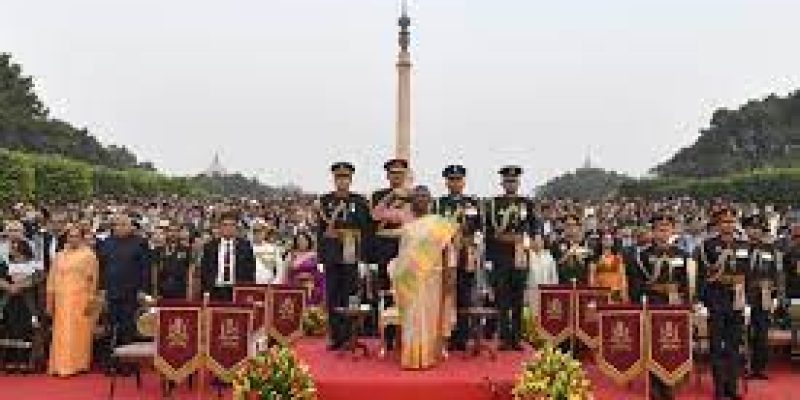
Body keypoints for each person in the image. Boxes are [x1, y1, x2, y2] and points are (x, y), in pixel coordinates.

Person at [389, 185, 458, 369]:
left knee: (429, 318)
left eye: (424, 196)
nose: (420, 199)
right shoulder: (408, 226)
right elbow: (403, 255)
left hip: (432, 279)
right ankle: (411, 357)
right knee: (412, 320)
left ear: (430, 200)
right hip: (410, 281)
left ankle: (428, 356)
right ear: (411, 201)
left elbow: (447, 251)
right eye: (417, 196)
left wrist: (450, 274)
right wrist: (400, 276)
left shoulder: (440, 224)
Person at [629, 214, 691, 400]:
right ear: (653, 232)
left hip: (675, 308)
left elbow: (687, 282)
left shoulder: (682, 255)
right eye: (659, 229)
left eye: (667, 229)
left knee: (673, 347)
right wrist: (640, 302)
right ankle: (655, 388)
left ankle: (671, 385)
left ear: (673, 231)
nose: (663, 233)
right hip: (654, 306)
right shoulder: (643, 256)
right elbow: (636, 283)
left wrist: (686, 300)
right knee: (654, 348)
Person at [315, 162, 371, 350]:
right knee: (333, 295)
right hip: (332, 252)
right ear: (334, 179)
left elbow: (366, 231)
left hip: (352, 252)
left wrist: (364, 258)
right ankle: (335, 336)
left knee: (351, 294)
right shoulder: (325, 201)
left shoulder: (360, 201)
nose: (342, 181)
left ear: (351, 179)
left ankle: (350, 335)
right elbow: (320, 231)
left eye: (345, 177)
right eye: (339, 177)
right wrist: (321, 257)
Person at [696, 207, 748, 400]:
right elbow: (703, 276)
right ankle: (718, 389)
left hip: (737, 300)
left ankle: (732, 389)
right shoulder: (707, 246)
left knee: (734, 347)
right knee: (716, 347)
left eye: (732, 221)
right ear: (718, 225)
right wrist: (703, 301)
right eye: (725, 222)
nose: (729, 225)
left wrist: (747, 300)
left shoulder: (744, 245)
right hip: (717, 300)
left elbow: (748, 275)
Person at [485, 166, 537, 351]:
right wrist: (489, 260)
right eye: (507, 181)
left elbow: (534, 227)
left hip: (520, 256)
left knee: (518, 298)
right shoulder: (493, 204)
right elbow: (489, 233)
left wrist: (529, 240)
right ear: (502, 183)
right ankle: (504, 338)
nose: (511, 184)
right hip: (501, 257)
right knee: (502, 299)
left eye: (514, 181)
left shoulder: (527, 203)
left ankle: (516, 338)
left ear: (518, 183)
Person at [435, 165, 482, 351]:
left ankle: (462, 337)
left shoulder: (473, 203)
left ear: (464, 181)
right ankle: (446, 334)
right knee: (446, 295)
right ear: (446, 182)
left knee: (464, 295)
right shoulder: (439, 204)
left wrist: (472, 243)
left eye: (458, 179)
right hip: (446, 254)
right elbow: (434, 229)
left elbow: (479, 230)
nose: (455, 183)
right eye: (452, 179)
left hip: (466, 255)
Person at [46, 223, 100, 377]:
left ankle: (76, 365)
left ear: (82, 238)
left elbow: (93, 280)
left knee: (77, 333)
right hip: (61, 299)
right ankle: (58, 365)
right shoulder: (60, 255)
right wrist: (50, 301)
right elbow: (52, 278)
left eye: (76, 236)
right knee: (60, 332)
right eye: (70, 236)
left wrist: (90, 300)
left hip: (80, 299)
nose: (73, 239)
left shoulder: (89, 255)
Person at [369, 158, 412, 344]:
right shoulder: (379, 195)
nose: (396, 176)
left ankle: (408, 335)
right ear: (387, 175)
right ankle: (387, 336)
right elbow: (373, 221)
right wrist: (392, 196)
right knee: (386, 290)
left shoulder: (413, 195)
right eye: (393, 173)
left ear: (406, 175)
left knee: (409, 291)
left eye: (400, 173)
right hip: (385, 248)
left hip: (407, 248)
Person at [96, 214, 151, 346]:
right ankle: (111, 356)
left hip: (131, 292)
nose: (119, 228)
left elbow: (145, 268)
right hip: (111, 291)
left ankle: (127, 357)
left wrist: (143, 290)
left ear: (131, 227)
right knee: (111, 325)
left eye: (123, 225)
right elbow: (102, 267)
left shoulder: (140, 242)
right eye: (117, 225)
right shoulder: (107, 242)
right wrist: (102, 289)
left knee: (128, 326)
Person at [743, 215, 779, 380]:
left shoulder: (769, 249)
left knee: (762, 333)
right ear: (746, 229)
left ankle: (759, 368)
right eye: (752, 228)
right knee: (742, 333)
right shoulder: (740, 247)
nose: (756, 231)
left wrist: (775, 295)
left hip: (763, 296)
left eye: (759, 228)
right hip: (742, 295)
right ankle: (743, 366)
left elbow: (774, 273)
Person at [0, 220, 39, 371]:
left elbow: (39, 275)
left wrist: (20, 285)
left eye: (17, 230)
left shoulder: (32, 248)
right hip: (6, 296)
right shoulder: (2, 251)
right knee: (8, 325)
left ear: (22, 232)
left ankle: (24, 360)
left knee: (25, 326)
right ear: (6, 231)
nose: (14, 233)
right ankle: (9, 359)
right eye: (11, 230)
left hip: (26, 297)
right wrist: (9, 287)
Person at [200, 211, 256, 301]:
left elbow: (250, 270)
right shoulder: (210, 246)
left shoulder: (245, 246)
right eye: (225, 225)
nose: (228, 228)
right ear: (220, 227)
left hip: (236, 289)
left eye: (232, 225)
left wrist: (248, 291)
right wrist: (205, 291)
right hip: (216, 290)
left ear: (236, 227)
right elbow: (205, 270)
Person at [287, 232, 324, 306]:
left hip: (310, 285)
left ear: (308, 241)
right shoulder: (292, 256)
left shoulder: (315, 256)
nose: (301, 243)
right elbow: (289, 273)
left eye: (304, 240)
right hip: (296, 286)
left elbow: (321, 272)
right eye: (299, 241)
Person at [590, 231, 628, 302]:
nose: (607, 241)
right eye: (605, 239)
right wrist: (594, 292)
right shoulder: (595, 259)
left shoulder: (618, 258)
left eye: (609, 239)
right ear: (601, 241)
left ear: (612, 242)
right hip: (601, 293)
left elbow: (622, 277)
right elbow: (592, 278)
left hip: (615, 293)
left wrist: (623, 293)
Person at [526, 234, 558, 313]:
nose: (537, 243)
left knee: (545, 314)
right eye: (535, 241)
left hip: (546, 291)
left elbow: (553, 275)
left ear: (543, 242)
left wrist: (554, 291)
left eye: (540, 241)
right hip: (531, 291)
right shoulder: (527, 255)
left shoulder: (549, 257)